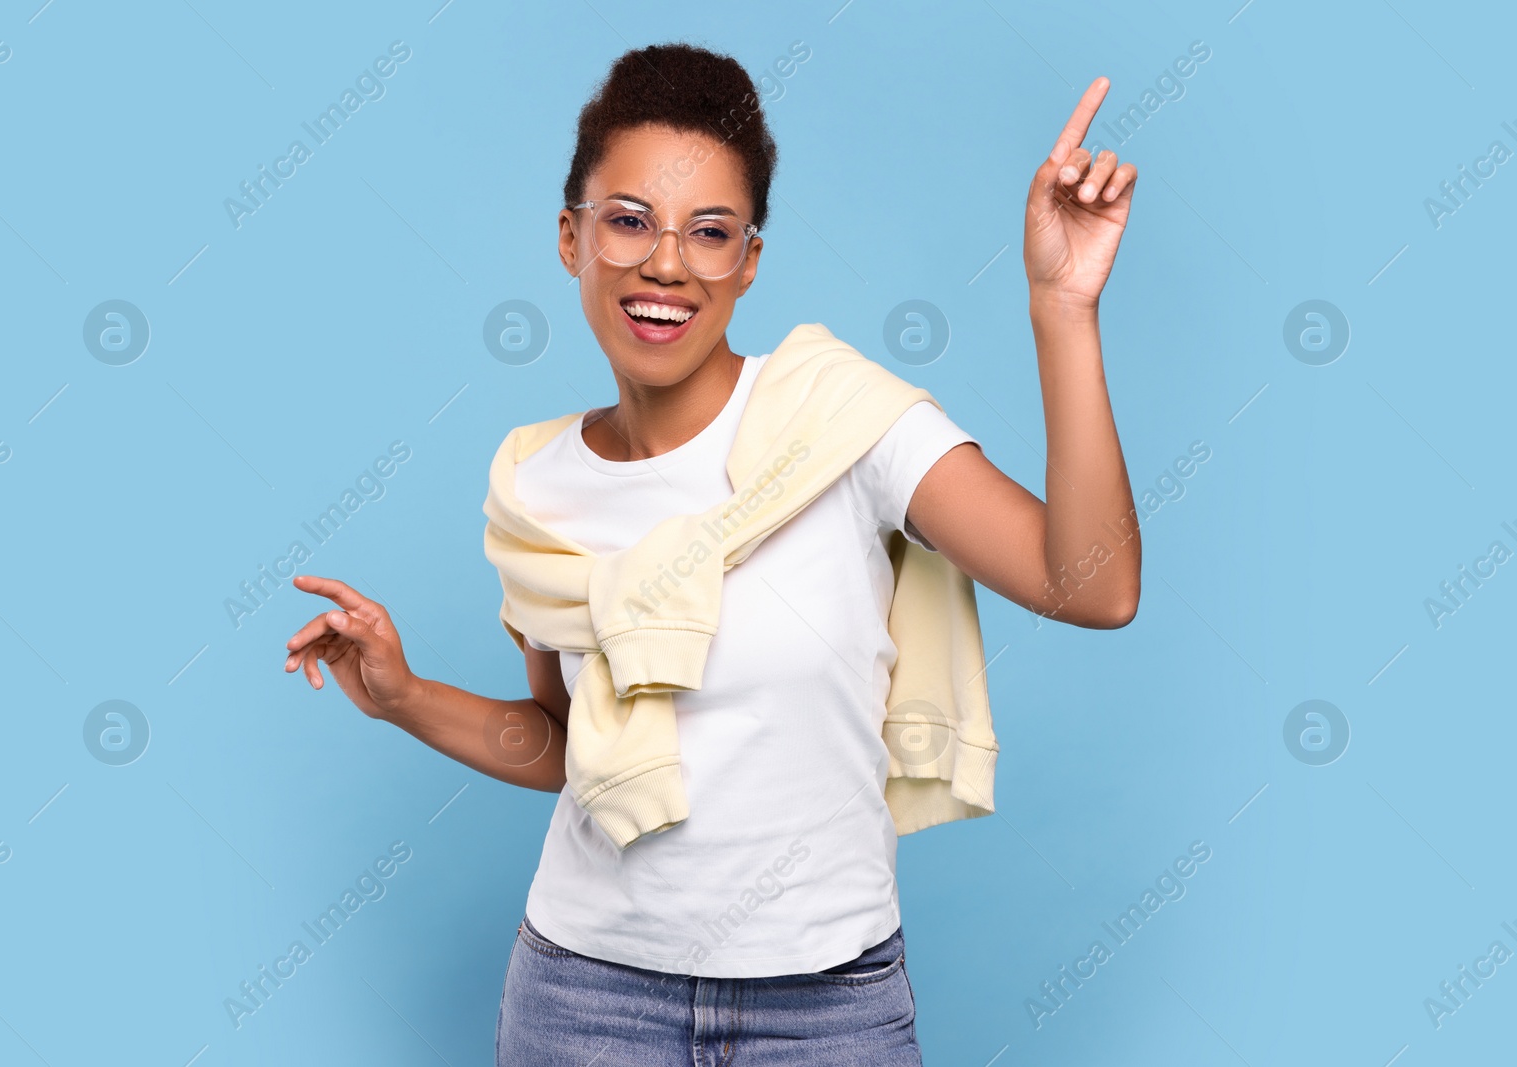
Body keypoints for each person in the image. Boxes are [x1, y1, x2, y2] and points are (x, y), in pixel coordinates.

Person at [283, 42, 1141, 1065]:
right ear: (571, 236)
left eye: (709, 232)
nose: (665, 263)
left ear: (748, 261)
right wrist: (402, 693)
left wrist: (1063, 308)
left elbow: (1091, 585)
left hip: (827, 1009)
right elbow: (570, 747)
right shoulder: (533, 483)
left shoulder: (841, 421)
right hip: (582, 998)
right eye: (630, 220)